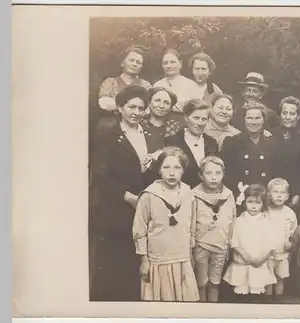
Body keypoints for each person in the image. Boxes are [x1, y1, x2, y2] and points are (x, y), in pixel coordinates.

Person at [90, 85, 160, 301]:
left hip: (143, 207)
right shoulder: (108, 135)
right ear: (120, 107)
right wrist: (127, 196)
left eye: (141, 107)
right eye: (131, 107)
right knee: (113, 265)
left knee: (137, 264)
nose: (136, 112)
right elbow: (100, 175)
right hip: (115, 208)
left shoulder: (149, 134)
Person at [133, 146, 199, 302]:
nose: (172, 172)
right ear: (159, 170)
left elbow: (192, 226)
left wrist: (190, 253)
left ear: (183, 170)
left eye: (177, 167)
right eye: (166, 167)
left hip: (182, 258)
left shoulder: (188, 193)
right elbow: (139, 230)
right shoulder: (149, 195)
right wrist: (144, 260)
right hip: (158, 259)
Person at [192, 156, 237, 302]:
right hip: (201, 244)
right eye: (209, 173)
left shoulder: (228, 196)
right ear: (201, 175)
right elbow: (190, 221)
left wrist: (229, 243)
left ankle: (213, 310)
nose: (213, 177)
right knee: (201, 283)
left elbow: (232, 220)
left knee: (214, 282)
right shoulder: (194, 195)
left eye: (218, 173)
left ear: (223, 174)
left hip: (221, 245)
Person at [223, 184, 277, 303]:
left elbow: (270, 242)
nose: (253, 206)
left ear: (263, 204)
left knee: (257, 294)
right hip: (242, 262)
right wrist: (246, 257)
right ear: (244, 202)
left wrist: (261, 258)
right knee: (241, 294)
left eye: (257, 203)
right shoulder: (238, 221)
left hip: (259, 263)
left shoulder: (267, 222)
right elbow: (234, 242)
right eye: (250, 202)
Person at [220, 100, 277, 210]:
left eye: (257, 118)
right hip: (241, 197)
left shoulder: (273, 143)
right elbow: (227, 175)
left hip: (265, 199)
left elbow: (277, 172)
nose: (253, 122)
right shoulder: (232, 143)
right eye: (250, 118)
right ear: (244, 120)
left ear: (263, 120)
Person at [94, 46, 152, 136]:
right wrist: (134, 106)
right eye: (131, 60)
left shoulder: (145, 85)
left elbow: (147, 109)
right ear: (122, 63)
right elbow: (104, 104)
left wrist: (117, 104)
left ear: (141, 67)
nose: (134, 64)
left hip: (136, 126)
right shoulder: (110, 82)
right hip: (111, 124)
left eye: (138, 62)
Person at [271, 96, 300, 213]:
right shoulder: (270, 135)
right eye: (284, 113)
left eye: (292, 113)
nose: (288, 117)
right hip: (272, 193)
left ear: (298, 116)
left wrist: (298, 194)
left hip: (294, 195)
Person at [165, 99, 218, 188]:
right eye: (196, 118)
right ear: (186, 117)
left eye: (204, 119)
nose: (199, 123)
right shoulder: (172, 141)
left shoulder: (212, 143)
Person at [264, 178, 298, 303]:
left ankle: (278, 298)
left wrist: (291, 242)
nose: (279, 195)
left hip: (283, 253)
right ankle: (268, 299)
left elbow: (294, 232)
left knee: (280, 277)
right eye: (275, 192)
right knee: (268, 277)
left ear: (287, 196)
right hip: (267, 253)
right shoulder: (265, 211)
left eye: (282, 193)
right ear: (269, 194)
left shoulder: (290, 213)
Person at [154, 48, 199, 126]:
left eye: (172, 62)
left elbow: (197, 111)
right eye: (165, 63)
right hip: (161, 124)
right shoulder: (157, 85)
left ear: (180, 64)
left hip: (184, 125)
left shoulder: (191, 85)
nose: (169, 66)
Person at [141, 87, 182, 152]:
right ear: (149, 102)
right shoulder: (139, 124)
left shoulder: (176, 127)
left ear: (171, 107)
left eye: (166, 103)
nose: (161, 106)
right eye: (157, 100)